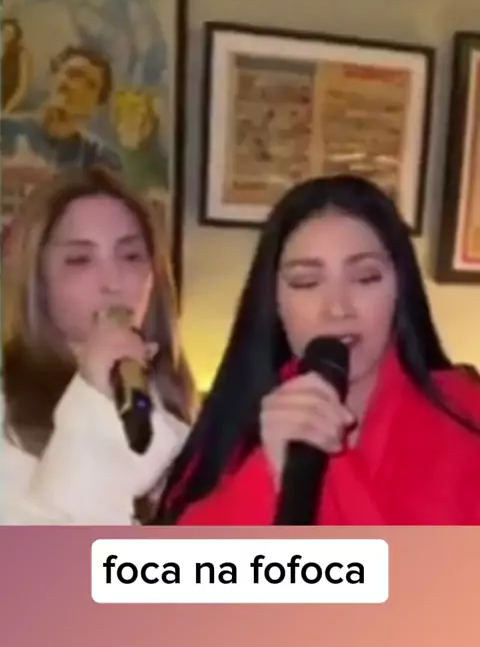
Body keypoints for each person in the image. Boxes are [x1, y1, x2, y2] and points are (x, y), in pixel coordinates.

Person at [155, 175, 480, 527]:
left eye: (366, 278)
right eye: (306, 282)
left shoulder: (464, 412)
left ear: (399, 290)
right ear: (275, 302)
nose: (337, 309)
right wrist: (270, 475)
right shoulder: (228, 438)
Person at [2, 167, 196, 524]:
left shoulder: (175, 411)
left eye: (131, 256)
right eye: (80, 260)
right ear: (39, 281)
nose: (113, 283)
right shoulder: (7, 416)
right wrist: (93, 393)